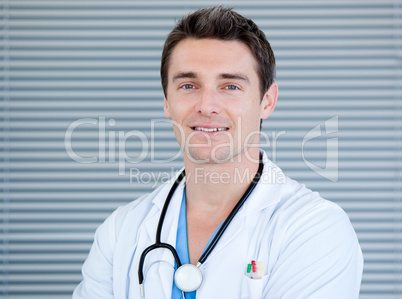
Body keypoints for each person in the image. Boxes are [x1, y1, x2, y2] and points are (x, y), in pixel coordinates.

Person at [73, 6, 363, 299]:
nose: (206, 105)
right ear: (166, 101)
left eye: (230, 86)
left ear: (267, 101)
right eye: (188, 85)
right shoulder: (121, 231)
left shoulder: (315, 230)